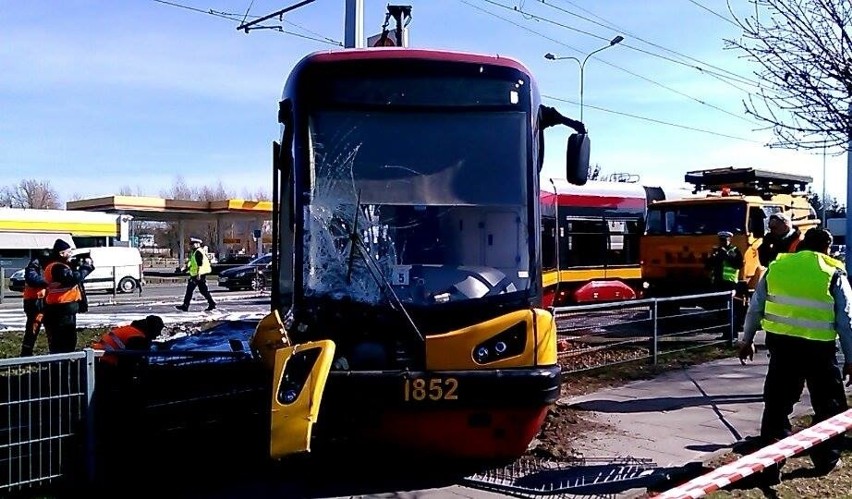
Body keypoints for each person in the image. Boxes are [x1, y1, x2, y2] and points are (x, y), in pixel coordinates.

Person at [738, 227, 852, 485]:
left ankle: (769, 468)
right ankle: (827, 459)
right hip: (819, 351)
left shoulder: (777, 267)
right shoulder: (833, 271)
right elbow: (846, 321)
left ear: (800, 245)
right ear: (827, 247)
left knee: (777, 406)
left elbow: (755, 307)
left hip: (782, 349)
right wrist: (851, 358)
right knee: (828, 406)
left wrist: (747, 340)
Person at [42, 239, 94, 354]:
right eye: (69, 252)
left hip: (62, 307)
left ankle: (61, 364)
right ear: (61, 253)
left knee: (64, 339)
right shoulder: (57, 267)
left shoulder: (57, 265)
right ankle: (62, 366)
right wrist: (86, 267)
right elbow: (72, 279)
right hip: (61, 307)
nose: (71, 255)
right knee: (65, 340)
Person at [92, 315, 165, 366]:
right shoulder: (137, 338)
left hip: (96, 357)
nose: (158, 334)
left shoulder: (130, 330)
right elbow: (131, 361)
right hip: (106, 361)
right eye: (158, 331)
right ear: (152, 329)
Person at [19, 249, 50, 356]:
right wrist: (49, 282)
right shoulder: (34, 266)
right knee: (33, 328)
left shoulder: (39, 266)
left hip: (41, 300)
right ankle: (26, 353)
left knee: (44, 328)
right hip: (35, 301)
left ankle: (27, 353)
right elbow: (33, 279)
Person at [175, 236, 216, 312]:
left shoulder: (198, 252)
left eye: (194, 244)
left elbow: (200, 264)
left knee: (190, 290)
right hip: (197, 274)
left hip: (198, 275)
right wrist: (186, 269)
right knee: (203, 290)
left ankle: (185, 306)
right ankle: (212, 303)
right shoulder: (194, 252)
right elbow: (192, 263)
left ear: (198, 244)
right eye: (191, 244)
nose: (192, 245)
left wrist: (198, 274)